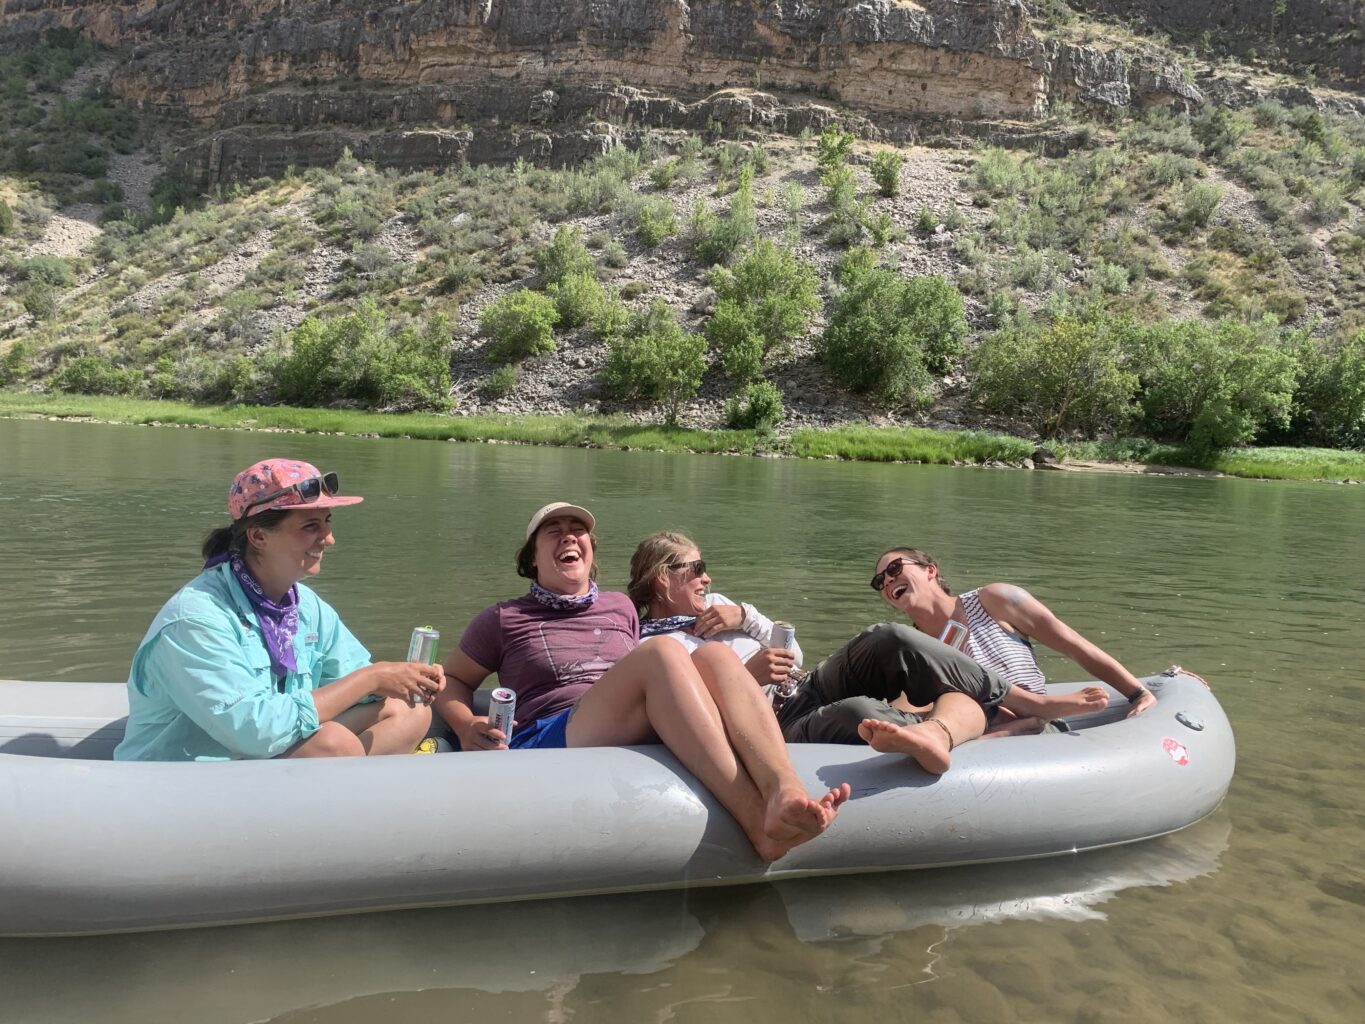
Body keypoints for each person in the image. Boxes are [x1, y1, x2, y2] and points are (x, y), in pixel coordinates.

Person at [434, 503, 849, 862]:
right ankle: (757, 825)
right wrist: (465, 724)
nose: (569, 539)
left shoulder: (619, 607)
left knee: (716, 656)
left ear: (592, 551)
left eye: (578, 533)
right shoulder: (503, 618)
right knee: (663, 653)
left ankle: (785, 792)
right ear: (533, 557)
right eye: (554, 533)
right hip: (553, 732)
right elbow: (452, 678)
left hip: (625, 720)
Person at [629, 531, 1108, 775]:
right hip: (771, 723)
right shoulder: (652, 648)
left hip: (805, 686)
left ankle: (1025, 703)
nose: (707, 578)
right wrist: (748, 675)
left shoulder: (718, 606)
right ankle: (944, 732)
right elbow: (688, 720)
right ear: (662, 579)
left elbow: (792, 652)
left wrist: (747, 619)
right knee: (862, 713)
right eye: (697, 569)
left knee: (887, 636)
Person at [115, 459, 442, 762]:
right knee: (331, 746)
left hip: (260, 761)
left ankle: (350, 795)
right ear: (258, 536)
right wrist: (372, 678)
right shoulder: (196, 618)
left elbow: (357, 681)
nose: (328, 539)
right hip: (180, 780)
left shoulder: (308, 608)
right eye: (311, 526)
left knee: (410, 712)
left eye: (327, 523)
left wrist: (404, 679)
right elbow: (255, 731)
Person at [864, 547, 1155, 756]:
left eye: (895, 568)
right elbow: (907, 707)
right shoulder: (910, 647)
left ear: (930, 570)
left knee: (1025, 722)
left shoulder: (993, 599)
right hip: (974, 738)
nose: (888, 580)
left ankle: (1021, 718)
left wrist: (1138, 693)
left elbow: (1073, 644)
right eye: (880, 582)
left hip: (1038, 731)